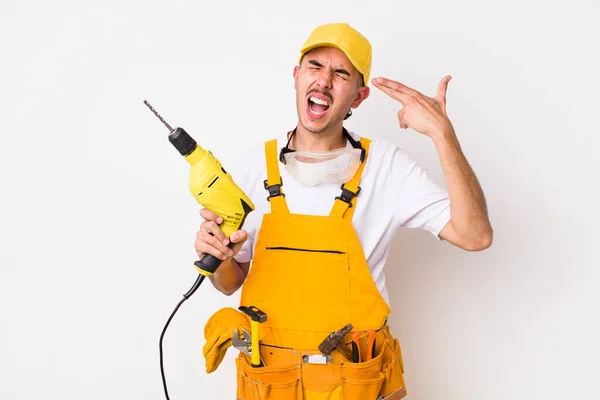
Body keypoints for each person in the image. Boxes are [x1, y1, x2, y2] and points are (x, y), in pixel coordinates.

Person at [198, 23, 492, 400]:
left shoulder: (386, 166)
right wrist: (215, 253)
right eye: (314, 66)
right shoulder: (252, 166)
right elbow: (228, 281)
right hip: (271, 383)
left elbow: (475, 236)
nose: (323, 81)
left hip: (356, 385)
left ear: (359, 95)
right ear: (296, 76)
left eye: (341, 73)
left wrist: (442, 134)